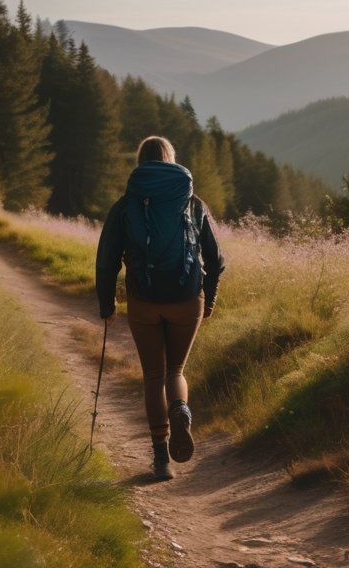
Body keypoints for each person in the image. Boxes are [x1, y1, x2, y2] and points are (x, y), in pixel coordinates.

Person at [95, 136, 225, 481]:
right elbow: (216, 258)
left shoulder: (127, 205)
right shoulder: (192, 203)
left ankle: (160, 459)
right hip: (186, 298)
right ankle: (181, 409)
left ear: (141, 162)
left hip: (144, 300)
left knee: (154, 377)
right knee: (175, 371)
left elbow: (107, 259)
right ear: (171, 160)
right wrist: (208, 299)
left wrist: (107, 304)